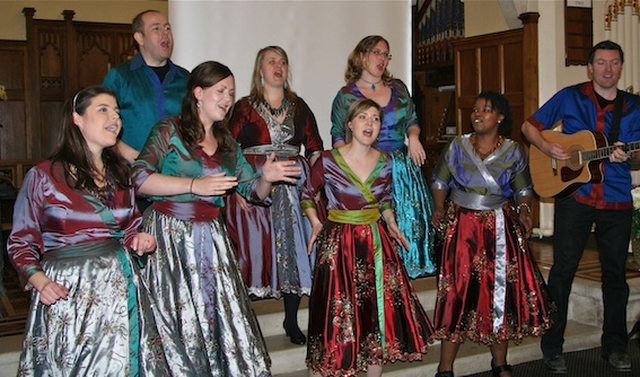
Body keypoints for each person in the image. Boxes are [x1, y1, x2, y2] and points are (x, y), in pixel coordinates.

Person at [132, 60, 302, 376]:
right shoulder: (169, 129)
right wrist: (194, 185)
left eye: (231, 92)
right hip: (171, 238)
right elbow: (139, 178)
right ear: (198, 92)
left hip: (211, 238)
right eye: (220, 90)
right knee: (178, 321)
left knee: (217, 318)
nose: (227, 98)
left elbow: (253, 192)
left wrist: (267, 176)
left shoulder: (226, 142)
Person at [7, 86, 168, 376]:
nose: (114, 118)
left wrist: (138, 240)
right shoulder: (44, 176)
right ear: (77, 119)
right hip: (70, 293)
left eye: (117, 112)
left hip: (120, 291)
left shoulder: (121, 174)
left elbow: (129, 225)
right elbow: (21, 239)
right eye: (103, 110)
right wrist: (40, 281)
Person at [521, 40, 640, 374]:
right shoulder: (571, 96)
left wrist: (628, 155)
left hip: (616, 197)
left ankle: (615, 347)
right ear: (590, 67)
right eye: (601, 63)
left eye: (614, 63)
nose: (607, 69)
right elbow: (529, 126)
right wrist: (549, 146)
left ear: (621, 66)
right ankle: (552, 347)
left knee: (615, 276)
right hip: (575, 197)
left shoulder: (635, 106)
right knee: (562, 272)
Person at [303, 99, 432, 377]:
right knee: (332, 315)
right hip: (338, 244)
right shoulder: (327, 159)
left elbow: (384, 199)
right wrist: (316, 222)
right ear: (349, 124)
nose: (370, 124)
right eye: (363, 117)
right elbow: (306, 193)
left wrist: (391, 222)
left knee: (375, 315)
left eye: (375, 118)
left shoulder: (386, 162)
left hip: (375, 242)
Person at [431, 91, 553, 377]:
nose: (477, 114)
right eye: (475, 109)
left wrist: (524, 211)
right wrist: (439, 207)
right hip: (462, 226)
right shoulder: (457, 146)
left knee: (500, 291)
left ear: (500, 117)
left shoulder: (513, 151)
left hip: (499, 227)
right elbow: (439, 179)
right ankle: (445, 367)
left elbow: (523, 189)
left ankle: (500, 363)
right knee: (457, 292)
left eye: (485, 110)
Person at [225, 45, 324, 345]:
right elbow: (228, 149)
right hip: (256, 188)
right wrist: (237, 188)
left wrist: (314, 186)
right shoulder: (243, 107)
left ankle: (292, 320)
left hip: (294, 190)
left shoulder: (300, 105)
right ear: (260, 69)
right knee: (255, 252)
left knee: (293, 251)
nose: (278, 66)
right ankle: (247, 325)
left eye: (282, 61)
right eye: (271, 61)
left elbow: (316, 149)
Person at [331, 35, 435, 279]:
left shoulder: (398, 88)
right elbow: (338, 132)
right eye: (377, 52)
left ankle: (409, 272)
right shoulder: (346, 95)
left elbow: (412, 119)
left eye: (386, 54)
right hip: (366, 166)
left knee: (408, 220)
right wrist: (346, 168)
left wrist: (415, 138)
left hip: (399, 165)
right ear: (361, 56)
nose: (383, 59)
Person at [102, 9, 189, 163]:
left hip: (178, 173)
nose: (165, 34)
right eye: (156, 28)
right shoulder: (119, 77)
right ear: (139, 38)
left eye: (168, 28)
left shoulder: (186, 79)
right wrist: (131, 156)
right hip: (130, 173)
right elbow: (101, 124)